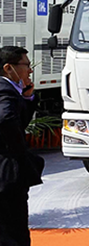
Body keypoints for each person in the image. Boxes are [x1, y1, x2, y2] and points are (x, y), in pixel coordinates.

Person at [0, 47, 43, 246]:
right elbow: (6, 119)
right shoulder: (5, 90)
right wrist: (19, 151)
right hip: (7, 172)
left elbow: (15, 122)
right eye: (26, 65)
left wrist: (27, 98)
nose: (30, 70)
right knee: (13, 230)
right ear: (8, 68)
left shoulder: (11, 91)